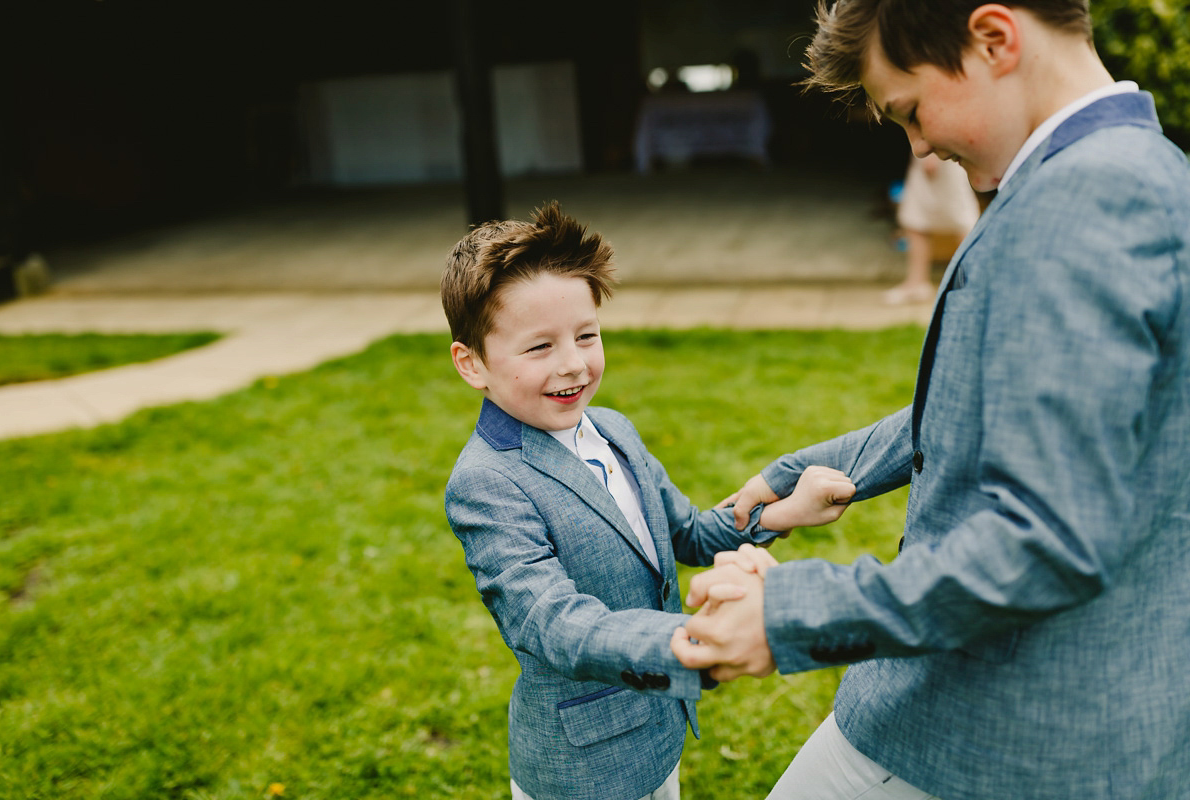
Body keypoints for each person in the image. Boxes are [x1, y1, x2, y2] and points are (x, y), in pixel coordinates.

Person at [670, 2, 1190, 799]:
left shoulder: (1086, 200)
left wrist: (791, 616)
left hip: (990, 727)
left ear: (994, 38)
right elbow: (1019, 401)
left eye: (911, 110)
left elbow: (1048, 539)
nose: (919, 145)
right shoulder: (1143, 171)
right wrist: (811, 468)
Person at [441, 201, 856, 800]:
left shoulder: (612, 428)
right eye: (540, 348)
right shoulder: (486, 483)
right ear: (472, 363)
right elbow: (553, 624)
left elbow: (683, 531)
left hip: (657, 732)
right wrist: (695, 645)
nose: (575, 363)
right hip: (583, 765)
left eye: (587, 335)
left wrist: (783, 513)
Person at [883, 152, 981, 305]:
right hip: (931, 156)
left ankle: (975, 282)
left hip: (941, 156)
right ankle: (917, 283)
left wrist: (931, 155)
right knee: (915, 220)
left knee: (962, 219)